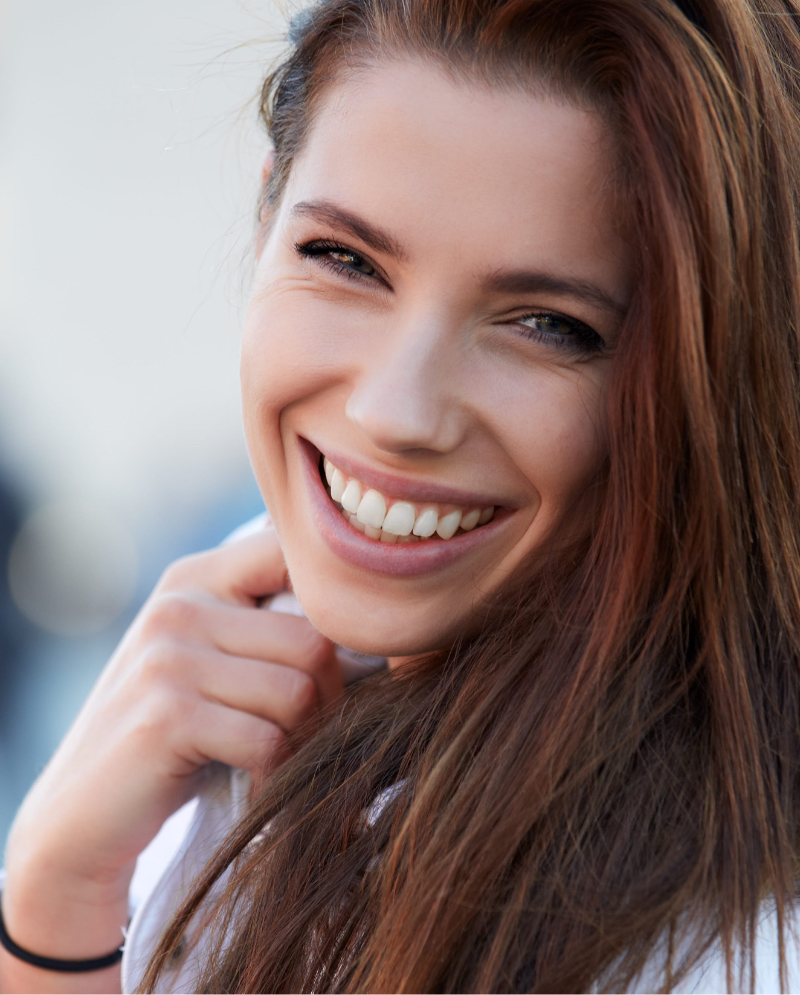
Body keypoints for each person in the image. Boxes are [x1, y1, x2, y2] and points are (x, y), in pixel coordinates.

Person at [3, 0, 800, 990]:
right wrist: (59, 891)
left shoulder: (717, 946)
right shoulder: (264, 638)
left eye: (549, 326)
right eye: (343, 259)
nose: (393, 412)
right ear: (264, 217)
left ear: (707, 375)